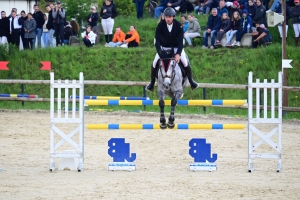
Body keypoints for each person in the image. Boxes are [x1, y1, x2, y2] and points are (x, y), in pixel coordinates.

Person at [145, 7, 199, 92]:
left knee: (185, 62)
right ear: (164, 17)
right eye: (166, 17)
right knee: (154, 62)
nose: (168, 19)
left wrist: (178, 54)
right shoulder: (160, 25)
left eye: (170, 17)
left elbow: (181, 41)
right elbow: (157, 40)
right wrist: (160, 51)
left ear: (173, 17)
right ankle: (151, 83)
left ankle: (191, 81)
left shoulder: (178, 25)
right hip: (164, 48)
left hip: (177, 47)